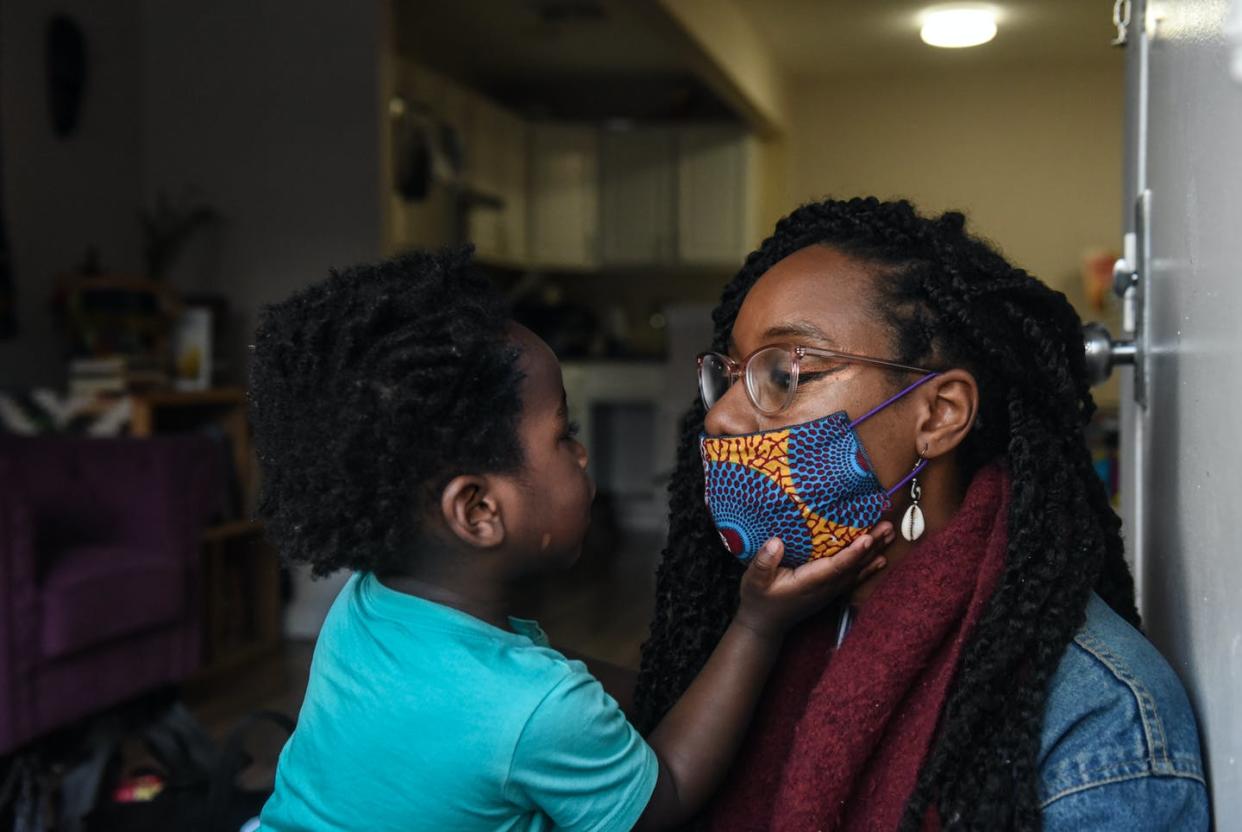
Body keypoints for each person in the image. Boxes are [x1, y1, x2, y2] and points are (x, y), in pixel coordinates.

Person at [249, 248, 890, 832]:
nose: (582, 457)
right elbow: (662, 798)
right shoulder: (535, 710)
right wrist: (757, 626)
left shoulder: (366, 608)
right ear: (478, 510)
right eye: (564, 434)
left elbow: (560, 680)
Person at [635, 197, 1210, 830]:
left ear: (938, 415)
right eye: (732, 374)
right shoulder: (758, 635)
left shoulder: (1094, 714)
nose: (721, 417)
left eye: (785, 370)